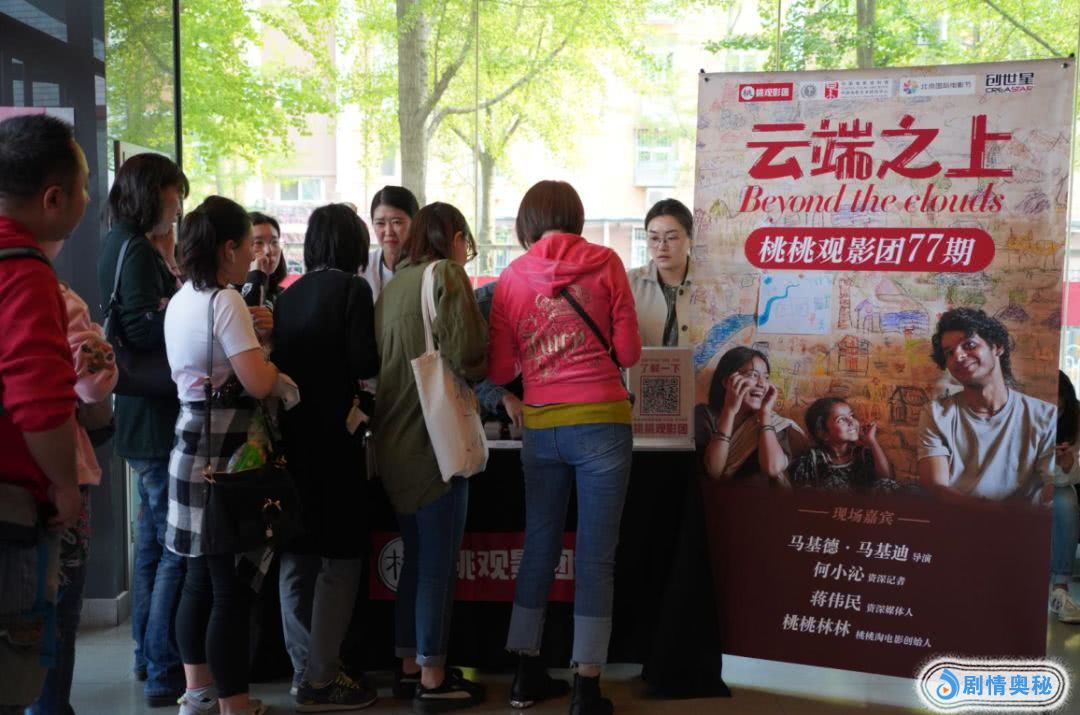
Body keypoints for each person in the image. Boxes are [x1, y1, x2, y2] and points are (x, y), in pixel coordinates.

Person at [488, 180, 641, 715]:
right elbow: (628, 352)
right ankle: (587, 688)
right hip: (603, 423)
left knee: (539, 545)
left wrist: (539, 355)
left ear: (527, 222)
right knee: (596, 557)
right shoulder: (607, 263)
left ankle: (525, 674)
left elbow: (500, 369)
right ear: (576, 216)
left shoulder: (511, 277)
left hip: (541, 426)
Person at [164, 196, 282, 715]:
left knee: (196, 579)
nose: (253, 255)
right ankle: (235, 704)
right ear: (228, 248)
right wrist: (270, 358)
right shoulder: (226, 300)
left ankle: (197, 694)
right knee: (229, 589)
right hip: (226, 454)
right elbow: (258, 383)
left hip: (189, 440)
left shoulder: (182, 298)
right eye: (248, 245)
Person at [373, 202, 488, 711]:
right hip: (434, 441)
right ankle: (434, 679)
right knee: (438, 565)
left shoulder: (395, 284)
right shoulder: (446, 274)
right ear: (455, 237)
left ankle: (409, 666)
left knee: (416, 559)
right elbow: (468, 355)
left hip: (393, 439)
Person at [271, 204, 380, 710]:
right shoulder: (353, 290)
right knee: (341, 558)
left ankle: (302, 669)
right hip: (337, 442)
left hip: (294, 442)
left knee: (297, 557)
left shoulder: (288, 296)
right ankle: (322, 677)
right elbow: (364, 360)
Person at [0, 113, 87, 715]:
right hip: (9, 511)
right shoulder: (22, 269)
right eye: (84, 187)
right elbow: (37, 397)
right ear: (54, 198)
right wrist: (63, 484)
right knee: (11, 677)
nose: (88, 200)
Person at [96, 151, 190, 704]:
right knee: (172, 547)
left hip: (138, 415)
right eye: (173, 195)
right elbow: (140, 327)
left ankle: (146, 656)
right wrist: (182, 307)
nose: (177, 207)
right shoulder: (133, 249)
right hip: (153, 417)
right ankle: (162, 667)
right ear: (152, 192)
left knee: (152, 545)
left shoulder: (122, 242)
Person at [30, 279, 118, 715]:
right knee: (57, 606)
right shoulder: (55, 298)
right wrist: (99, 347)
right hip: (55, 467)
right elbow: (92, 386)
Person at [917, 308, 1055, 502]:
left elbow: (1054, 486)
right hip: (956, 518)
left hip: (1022, 520)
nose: (958, 356)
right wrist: (999, 514)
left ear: (997, 347)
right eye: (949, 352)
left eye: (969, 345)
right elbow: (937, 488)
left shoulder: (1046, 416)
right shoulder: (936, 414)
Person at [698, 346, 807, 485]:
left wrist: (765, 414)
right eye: (753, 375)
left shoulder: (775, 422)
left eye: (766, 377)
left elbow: (772, 468)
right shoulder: (705, 416)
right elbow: (714, 471)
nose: (762, 384)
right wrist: (729, 411)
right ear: (727, 382)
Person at [790, 397, 898, 492]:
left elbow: (887, 482)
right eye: (841, 420)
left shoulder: (864, 454)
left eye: (851, 416)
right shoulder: (810, 461)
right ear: (823, 433)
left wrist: (872, 441)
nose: (851, 422)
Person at [627, 198, 693, 347]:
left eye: (671, 237)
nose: (662, 246)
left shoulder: (710, 285)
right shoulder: (629, 282)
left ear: (691, 238)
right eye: (654, 238)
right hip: (642, 363)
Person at [1049, 371, 1080, 623]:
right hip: (1022, 484)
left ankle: (1061, 587)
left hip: (1056, 484)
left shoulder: (1074, 418)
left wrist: (1064, 460)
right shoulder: (1021, 412)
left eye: (1059, 399)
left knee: (1066, 503)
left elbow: (1069, 476)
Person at [363, 185, 418, 301]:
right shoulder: (364, 266)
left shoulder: (427, 269)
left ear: (415, 223)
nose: (388, 232)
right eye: (380, 223)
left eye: (397, 222)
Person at [241, 212, 286, 310]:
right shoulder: (228, 292)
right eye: (258, 243)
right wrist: (255, 276)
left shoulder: (285, 296)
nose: (268, 251)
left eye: (274, 242)